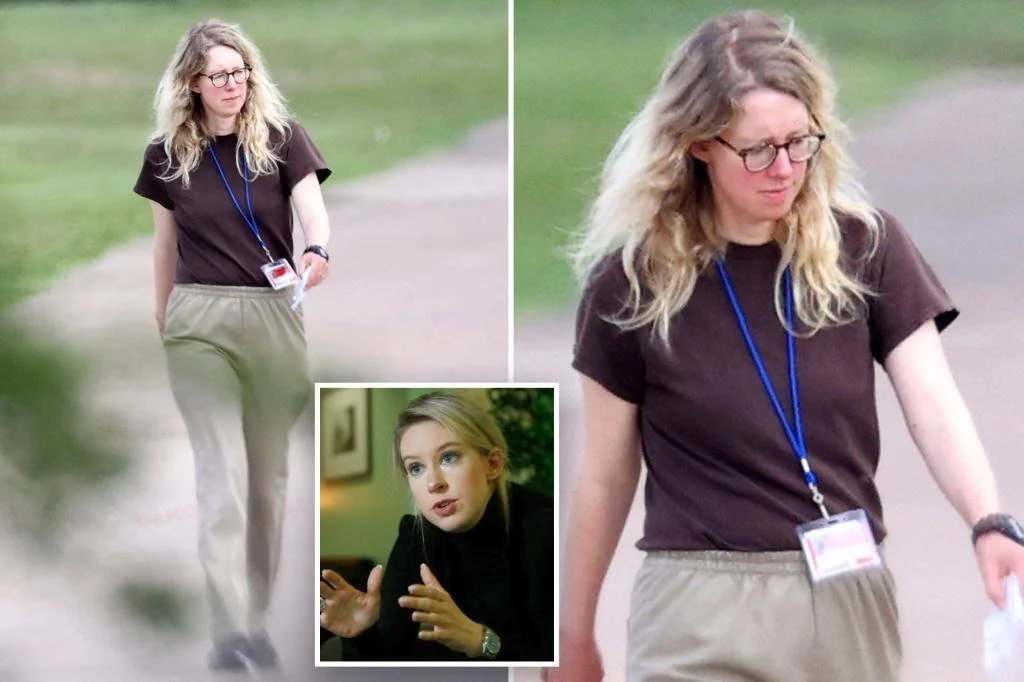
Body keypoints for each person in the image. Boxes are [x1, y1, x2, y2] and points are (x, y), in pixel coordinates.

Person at [548, 10, 1024, 682]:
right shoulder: (631, 285)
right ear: (698, 144)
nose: (784, 168)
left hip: (845, 599)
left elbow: (934, 407)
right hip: (695, 606)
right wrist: (572, 632)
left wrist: (988, 520)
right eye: (757, 149)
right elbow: (604, 474)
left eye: (799, 142)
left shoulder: (868, 248)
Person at [133, 18, 332, 672]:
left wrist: (317, 249)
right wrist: (166, 320)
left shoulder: (282, 139)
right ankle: (227, 631)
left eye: (240, 72)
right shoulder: (166, 156)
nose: (232, 85)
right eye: (218, 75)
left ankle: (254, 620)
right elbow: (164, 247)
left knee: (266, 483)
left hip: (273, 315)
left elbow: (312, 209)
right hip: (199, 319)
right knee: (223, 477)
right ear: (192, 82)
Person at [319, 392, 555, 662]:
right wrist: (363, 633)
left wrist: (480, 641)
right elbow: (390, 662)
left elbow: (569, 667)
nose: (433, 483)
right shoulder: (416, 536)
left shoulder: (550, 530)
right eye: (416, 468)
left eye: (448, 457)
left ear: (493, 464)